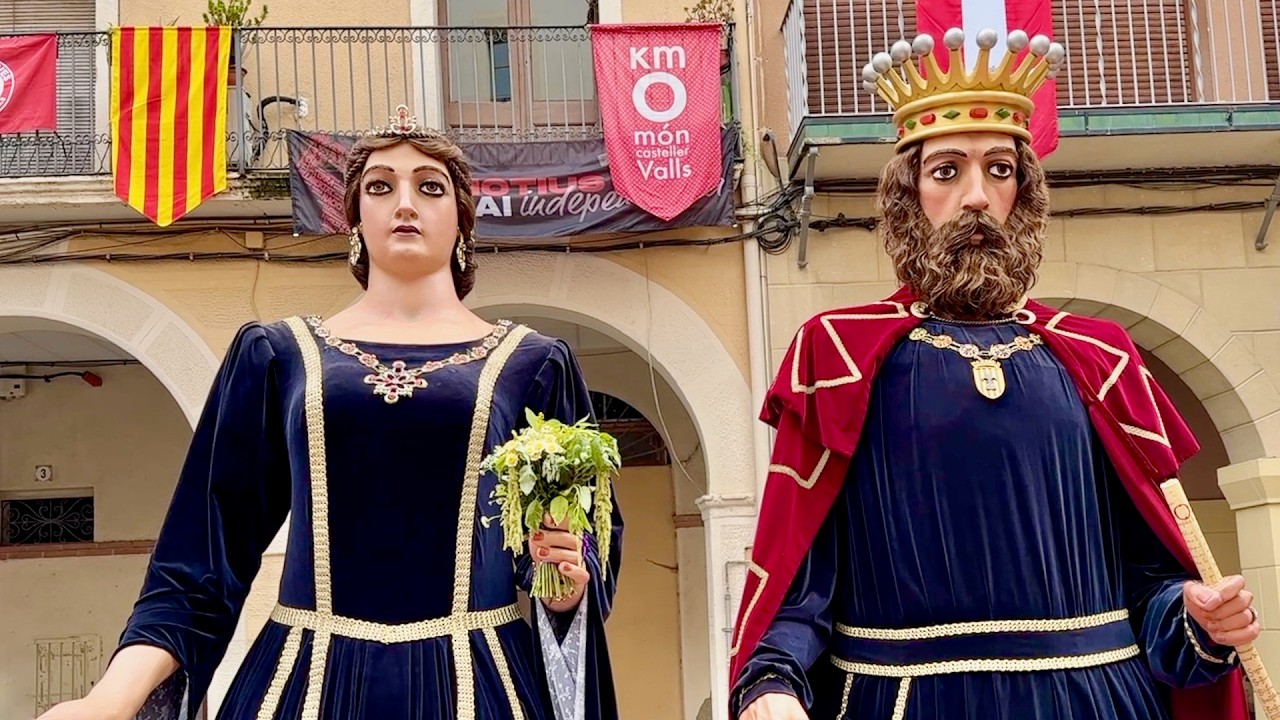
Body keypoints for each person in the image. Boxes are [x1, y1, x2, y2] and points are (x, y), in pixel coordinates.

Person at [729, 28, 1256, 720]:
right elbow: (797, 574)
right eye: (948, 171)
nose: (976, 196)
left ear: (1023, 193)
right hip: (911, 704)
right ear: (908, 197)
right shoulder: (839, 355)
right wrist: (771, 681)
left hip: (1095, 703)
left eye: (999, 170)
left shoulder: (1098, 357)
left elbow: (1148, 581)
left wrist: (1192, 618)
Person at [38, 105, 622, 720]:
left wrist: (564, 584)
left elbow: (579, 553)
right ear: (355, 220)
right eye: (380, 186)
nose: (404, 202)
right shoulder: (278, 356)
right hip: (306, 683)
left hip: (480, 685)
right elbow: (201, 559)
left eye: (430, 186)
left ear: (462, 221)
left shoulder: (533, 365)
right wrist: (109, 699)